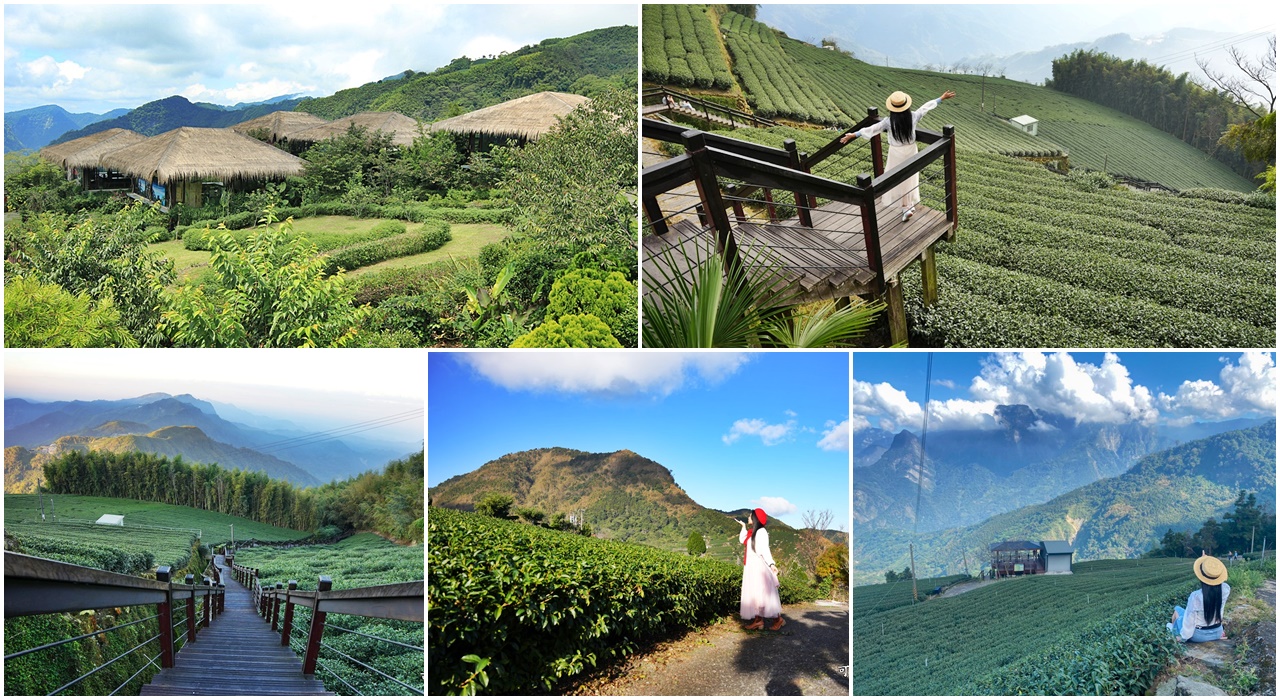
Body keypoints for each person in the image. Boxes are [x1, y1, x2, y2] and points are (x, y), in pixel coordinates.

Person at [839, 89, 956, 222]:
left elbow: (872, 129)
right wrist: (941, 98)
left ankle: (905, 207)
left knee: (898, 179)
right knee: (910, 178)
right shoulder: (913, 116)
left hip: (896, 153)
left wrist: (853, 134)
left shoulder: (888, 122)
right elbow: (925, 107)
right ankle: (909, 205)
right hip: (911, 151)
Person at [736, 508, 784, 631]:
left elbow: (765, 550)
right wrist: (743, 527)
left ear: (755, 518)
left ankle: (777, 620)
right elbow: (743, 541)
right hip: (751, 567)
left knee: (763, 594)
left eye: (750, 516)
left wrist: (772, 564)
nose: (748, 518)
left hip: (758, 567)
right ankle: (758, 621)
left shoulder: (761, 532)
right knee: (755, 594)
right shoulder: (753, 532)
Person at [1167, 554, 1231, 643]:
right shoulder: (1225, 590)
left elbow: (1189, 623)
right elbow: (1220, 583)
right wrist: (1208, 562)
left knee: (1176, 612)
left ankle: (1173, 630)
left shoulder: (1196, 597)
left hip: (1199, 636)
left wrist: (1182, 638)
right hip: (1217, 631)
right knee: (1178, 610)